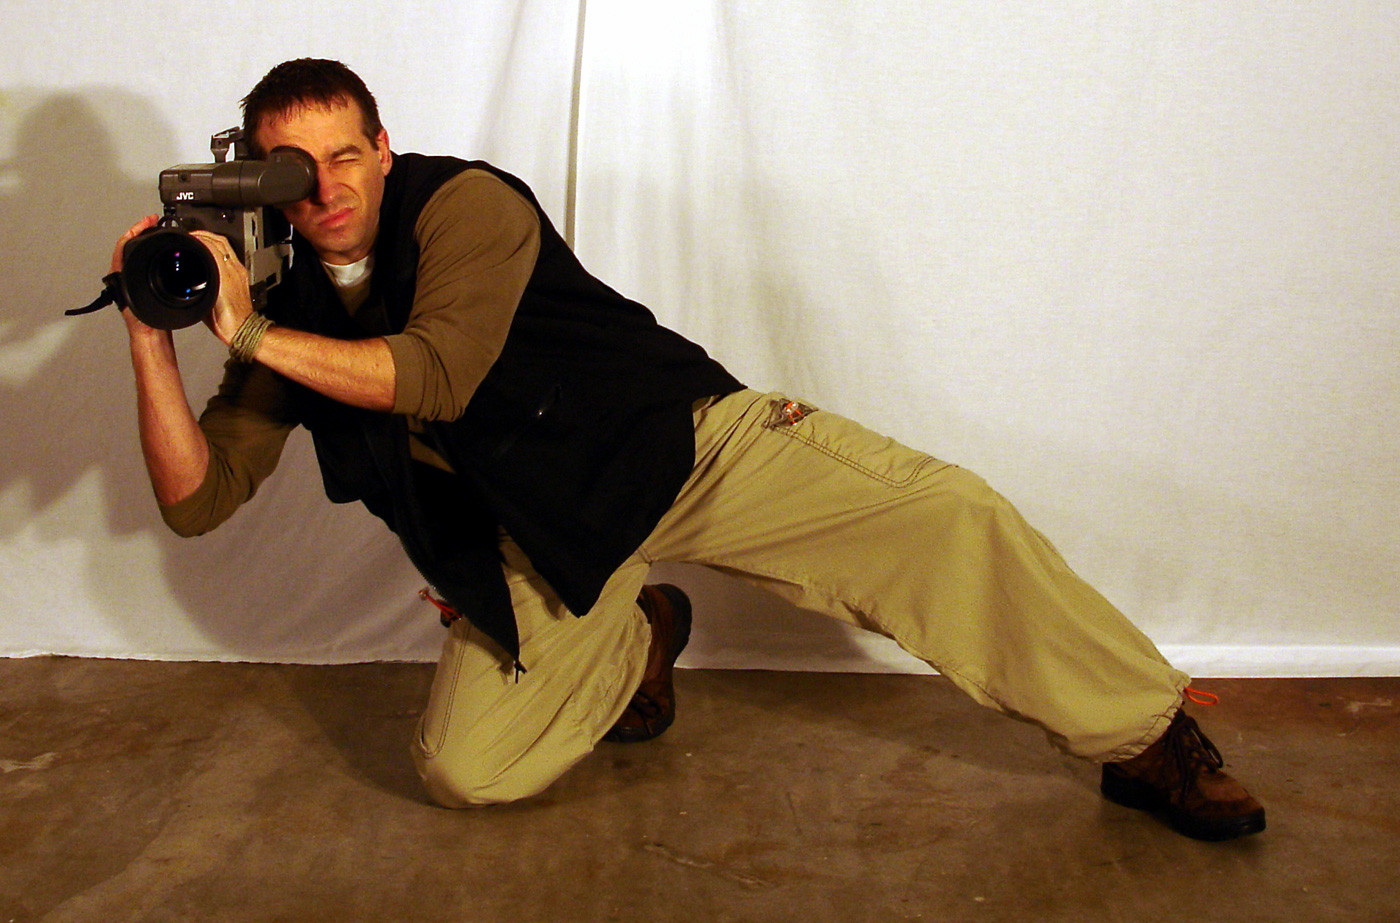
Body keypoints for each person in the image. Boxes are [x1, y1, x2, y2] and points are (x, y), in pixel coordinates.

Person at [111, 58, 1264, 841]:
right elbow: (195, 501)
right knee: (466, 771)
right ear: (260, 179)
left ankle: (1141, 731)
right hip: (553, 537)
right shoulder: (282, 311)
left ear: (383, 147)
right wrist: (151, 334)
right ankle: (642, 629)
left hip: (673, 447)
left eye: (344, 156)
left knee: (942, 517)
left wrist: (251, 332)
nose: (324, 188)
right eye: (291, 168)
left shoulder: (461, 205)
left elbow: (435, 373)